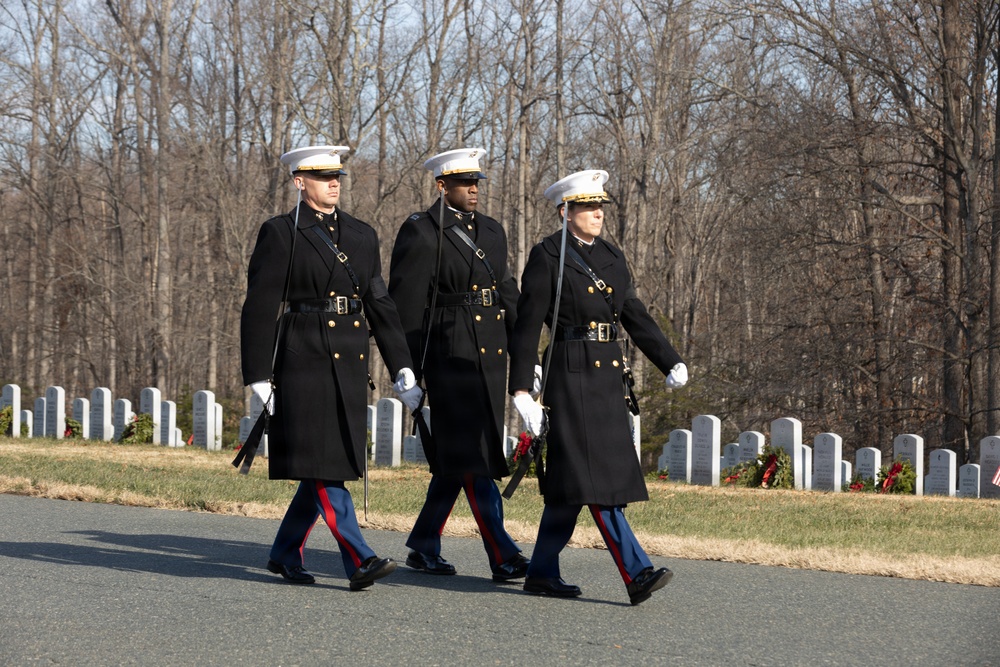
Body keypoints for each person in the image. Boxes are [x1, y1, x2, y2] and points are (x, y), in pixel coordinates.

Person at [240, 145, 423, 590]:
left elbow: (379, 300)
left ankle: (285, 553)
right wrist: (258, 376)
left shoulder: (362, 234)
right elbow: (261, 306)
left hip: (348, 358)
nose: (334, 182)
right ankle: (359, 557)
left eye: (337, 175)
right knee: (325, 465)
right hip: (303, 355)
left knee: (326, 460)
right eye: (323, 177)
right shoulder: (281, 233)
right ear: (300, 182)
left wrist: (402, 365)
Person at [508, 169, 689, 605]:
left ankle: (541, 572)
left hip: (606, 377)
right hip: (569, 376)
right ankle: (637, 571)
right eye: (588, 207)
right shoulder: (547, 256)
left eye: (600, 206)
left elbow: (632, 313)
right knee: (596, 479)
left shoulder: (610, 255)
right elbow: (528, 324)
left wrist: (669, 359)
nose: (597, 214)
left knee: (573, 484)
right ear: (565, 211)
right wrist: (521, 391)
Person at [388, 148, 529, 582]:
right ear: (441, 185)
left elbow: (508, 293)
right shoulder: (423, 232)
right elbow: (406, 307)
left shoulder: (491, 231)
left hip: (488, 356)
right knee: (475, 456)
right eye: (465, 182)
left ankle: (424, 544)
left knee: (458, 457)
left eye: (477, 182)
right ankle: (502, 553)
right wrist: (405, 370)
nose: (474, 189)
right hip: (448, 352)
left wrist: (527, 358)